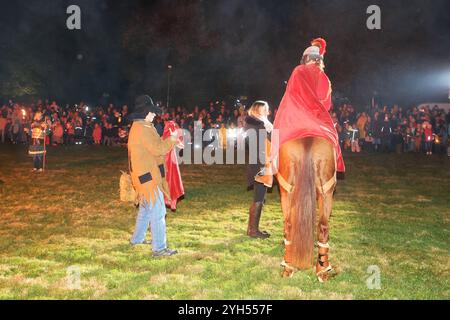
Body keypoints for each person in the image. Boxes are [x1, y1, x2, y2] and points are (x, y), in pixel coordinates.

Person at [127, 95, 180, 257]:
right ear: (144, 112)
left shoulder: (140, 127)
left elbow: (155, 147)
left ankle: (137, 239)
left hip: (143, 176)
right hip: (148, 178)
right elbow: (158, 149)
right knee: (158, 211)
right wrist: (173, 138)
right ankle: (159, 248)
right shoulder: (143, 129)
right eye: (151, 112)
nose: (154, 115)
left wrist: (172, 142)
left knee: (145, 209)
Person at [245, 101, 273, 238]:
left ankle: (252, 228)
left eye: (267, 109)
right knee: (259, 197)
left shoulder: (259, 124)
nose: (267, 112)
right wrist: (269, 130)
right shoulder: (256, 124)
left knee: (260, 196)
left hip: (261, 163)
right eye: (264, 110)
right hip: (259, 165)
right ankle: (253, 231)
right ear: (256, 111)